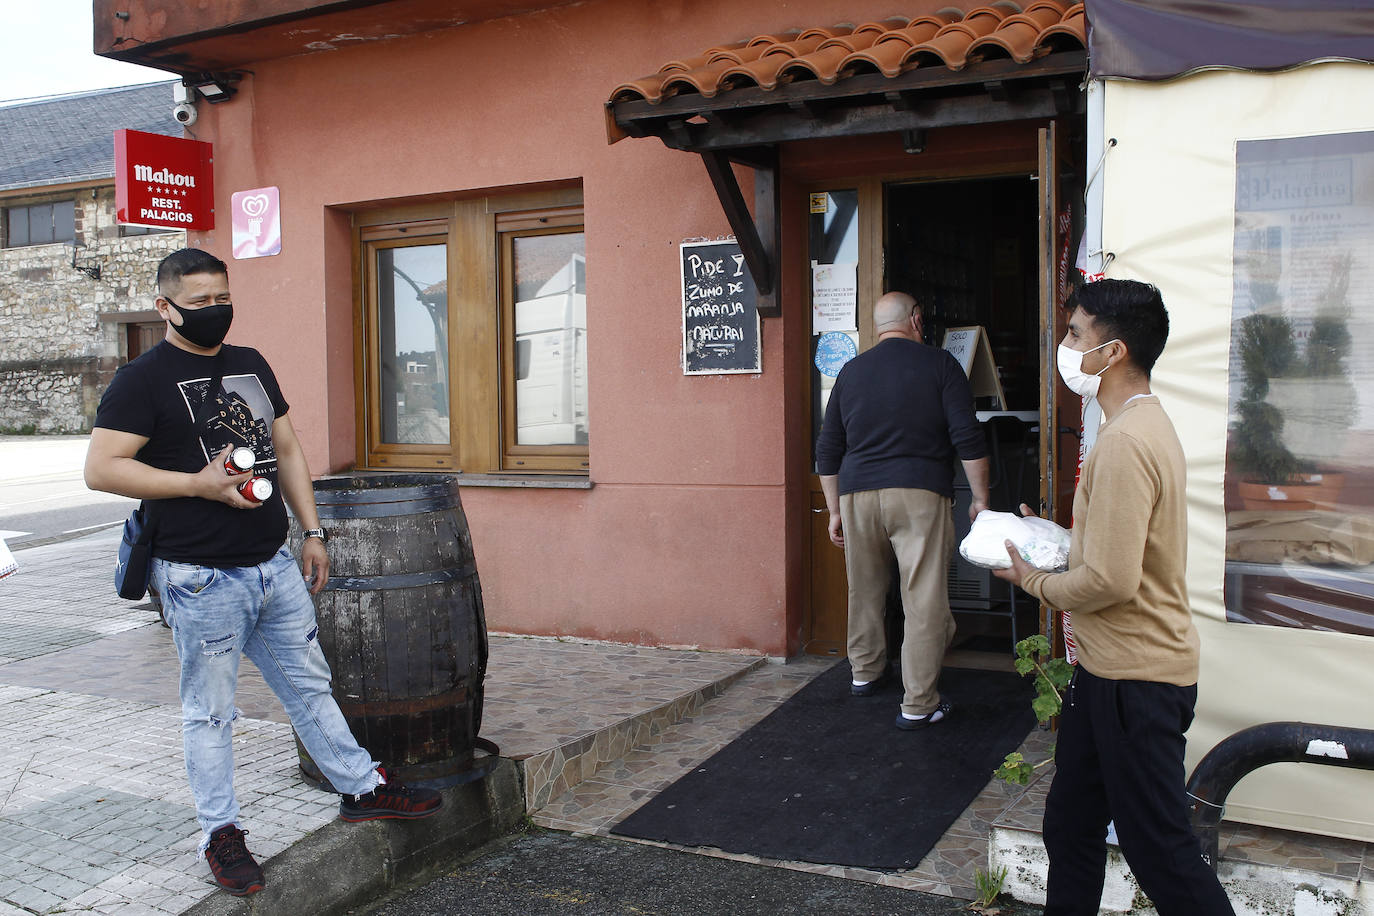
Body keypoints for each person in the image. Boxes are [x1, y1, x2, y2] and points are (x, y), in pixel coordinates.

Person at [85, 248, 442, 898]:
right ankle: (221, 834)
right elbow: (102, 467)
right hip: (199, 577)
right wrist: (194, 482)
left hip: (272, 564)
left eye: (221, 296)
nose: (213, 310)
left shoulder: (250, 363)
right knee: (211, 712)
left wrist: (311, 531)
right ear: (165, 307)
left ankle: (362, 789)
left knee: (309, 685)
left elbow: (286, 447)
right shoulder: (143, 378)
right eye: (197, 302)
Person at [993, 279, 1234, 915]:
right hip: (1104, 676)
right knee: (1070, 827)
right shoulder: (1132, 425)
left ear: (1115, 350)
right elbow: (1115, 548)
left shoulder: (1126, 442)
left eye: (1075, 334)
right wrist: (1050, 539)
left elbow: (1111, 580)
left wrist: (1033, 581)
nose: (1065, 346)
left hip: (1138, 682)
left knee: (1161, 854)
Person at [815, 291, 990, 730]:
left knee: (865, 589)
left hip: (857, 494)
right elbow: (967, 437)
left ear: (878, 326)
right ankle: (918, 703)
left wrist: (834, 510)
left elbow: (828, 447)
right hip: (918, 493)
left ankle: (865, 672)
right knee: (923, 597)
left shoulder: (851, 372)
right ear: (916, 319)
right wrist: (982, 500)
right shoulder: (940, 365)